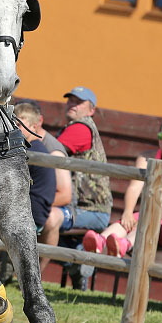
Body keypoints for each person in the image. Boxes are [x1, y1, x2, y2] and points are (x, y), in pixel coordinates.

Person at [82, 118, 162, 257]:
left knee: (145, 221)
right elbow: (134, 187)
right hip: (151, 213)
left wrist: (145, 215)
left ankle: (124, 244)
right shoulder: (146, 158)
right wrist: (128, 212)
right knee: (130, 220)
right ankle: (100, 241)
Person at [47, 87, 112, 289]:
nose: (72, 104)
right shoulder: (75, 127)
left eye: (78, 101)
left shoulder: (80, 128)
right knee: (42, 219)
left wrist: (35, 134)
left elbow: (51, 152)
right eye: (70, 100)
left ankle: (77, 261)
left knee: (42, 218)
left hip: (90, 210)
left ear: (91, 110)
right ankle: (78, 260)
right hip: (82, 208)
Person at [14, 101, 72, 275]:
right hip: (35, 209)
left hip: (34, 212)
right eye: (13, 123)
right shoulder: (32, 147)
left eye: (19, 124)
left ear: (34, 126)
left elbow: (64, 194)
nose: (15, 128)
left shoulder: (35, 151)